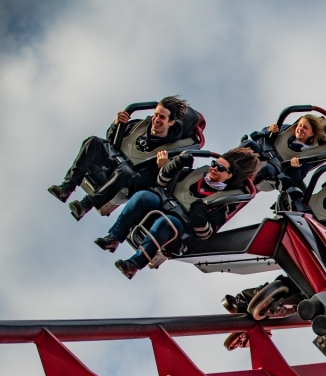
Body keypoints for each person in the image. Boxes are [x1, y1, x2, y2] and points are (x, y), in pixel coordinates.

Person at [95, 147, 260, 279]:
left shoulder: (222, 203)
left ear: (229, 175)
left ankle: (134, 264)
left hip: (181, 226)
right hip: (165, 204)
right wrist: (175, 165)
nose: (214, 168)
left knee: (165, 223)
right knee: (143, 196)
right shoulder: (195, 174)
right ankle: (114, 238)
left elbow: (206, 234)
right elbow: (162, 181)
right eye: (214, 163)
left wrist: (199, 217)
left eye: (221, 168)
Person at [50, 96, 192, 220]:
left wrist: (163, 166)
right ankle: (67, 187)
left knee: (125, 170)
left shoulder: (173, 150)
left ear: (171, 122)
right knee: (93, 141)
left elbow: (162, 183)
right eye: (156, 115)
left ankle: (86, 205)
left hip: (132, 182)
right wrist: (116, 125)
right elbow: (111, 141)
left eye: (162, 117)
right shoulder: (139, 125)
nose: (156, 120)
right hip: (114, 164)